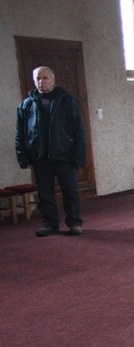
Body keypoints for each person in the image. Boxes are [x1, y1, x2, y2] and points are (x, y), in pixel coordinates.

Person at [16, 66, 86, 236]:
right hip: (40, 157)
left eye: (45, 78)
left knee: (70, 192)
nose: (41, 82)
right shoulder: (26, 105)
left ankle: (74, 223)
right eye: (38, 78)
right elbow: (20, 133)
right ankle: (49, 224)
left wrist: (78, 158)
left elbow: (78, 130)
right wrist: (23, 158)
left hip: (64, 156)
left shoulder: (67, 101)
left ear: (53, 80)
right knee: (45, 194)